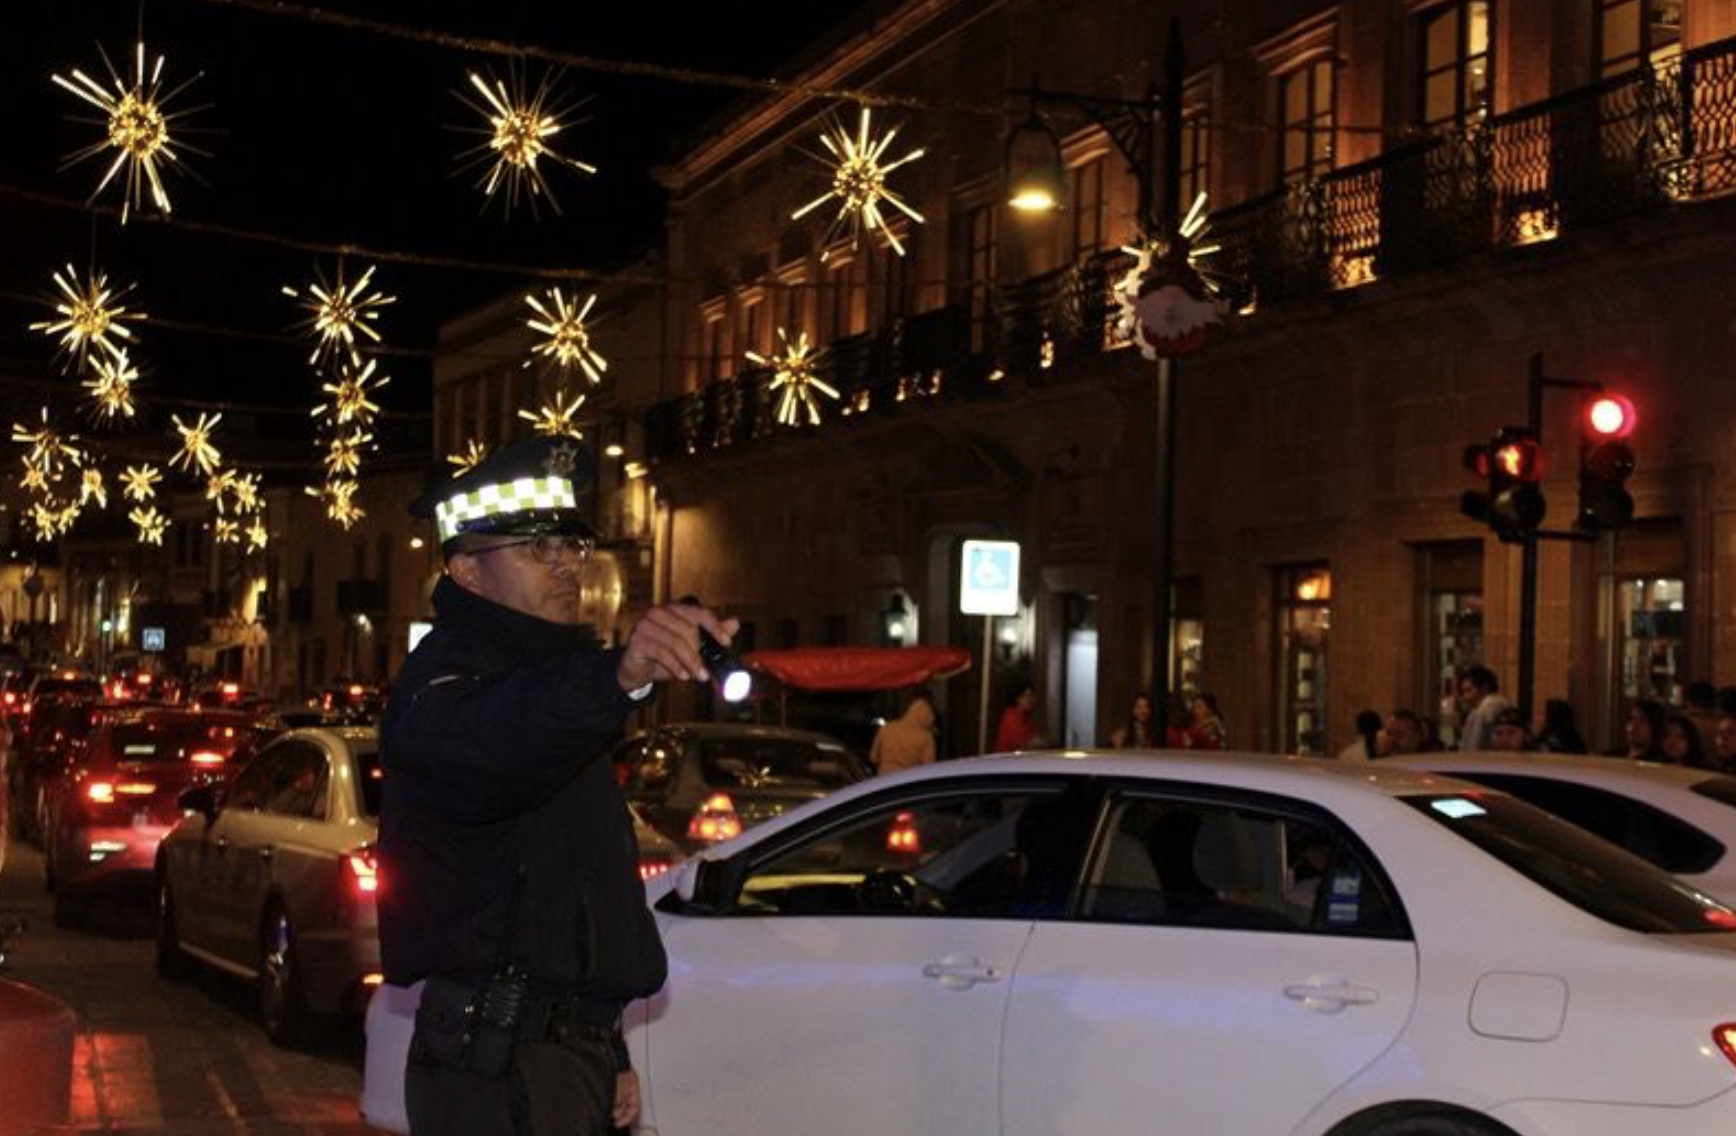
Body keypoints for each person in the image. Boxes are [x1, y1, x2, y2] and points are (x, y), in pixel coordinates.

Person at [379, 436, 737, 1136]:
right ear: (467, 570)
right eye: (536, 548)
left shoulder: (558, 692)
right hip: (494, 1066)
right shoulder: (445, 681)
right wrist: (618, 677)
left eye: (571, 546)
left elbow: (573, 886)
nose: (567, 565)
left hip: (559, 1058)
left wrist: (609, 1046)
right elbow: (507, 737)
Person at [870, 692, 937, 774]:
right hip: (907, 780)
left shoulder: (886, 728)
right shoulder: (926, 737)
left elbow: (873, 758)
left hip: (884, 779)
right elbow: (929, 768)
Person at [1457, 666, 1511, 752]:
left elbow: (1472, 748)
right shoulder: (1506, 705)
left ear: (1485, 687)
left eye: (1468, 690)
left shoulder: (1480, 713)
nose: (1465, 697)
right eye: (1463, 692)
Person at [994, 684, 1042, 751]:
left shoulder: (1027, 718)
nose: (1029, 699)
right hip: (1007, 756)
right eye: (1024, 696)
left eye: (1031, 695)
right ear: (1017, 699)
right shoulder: (1011, 717)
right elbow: (1020, 745)